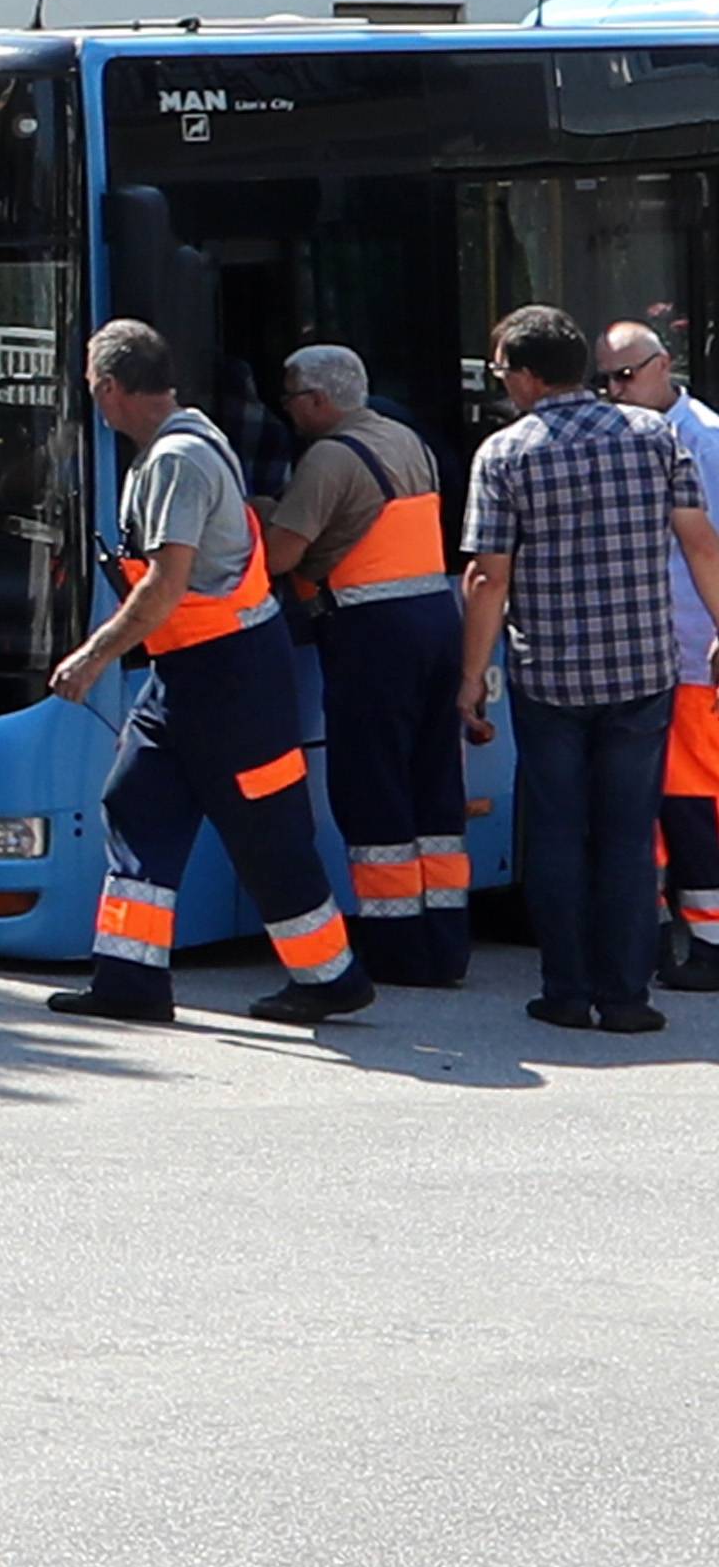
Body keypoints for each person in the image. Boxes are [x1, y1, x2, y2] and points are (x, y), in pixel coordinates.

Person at [45, 320, 376, 1029]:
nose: (95, 407)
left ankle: (331, 977)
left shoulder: (176, 461)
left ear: (109, 388)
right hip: (191, 673)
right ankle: (130, 981)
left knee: (266, 828)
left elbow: (165, 585)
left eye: (94, 393)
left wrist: (92, 656)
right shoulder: (185, 443)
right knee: (137, 799)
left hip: (229, 675)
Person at [461, 303, 719, 1033]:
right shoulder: (652, 437)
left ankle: (567, 993)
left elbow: (488, 580)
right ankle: (629, 998)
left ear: (530, 376)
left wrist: (470, 677)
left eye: (503, 370)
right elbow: (701, 545)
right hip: (644, 673)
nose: (502, 383)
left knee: (557, 835)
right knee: (629, 837)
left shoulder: (505, 455)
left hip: (550, 678)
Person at [265, 343, 469, 987]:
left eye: (292, 397)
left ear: (320, 401)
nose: (287, 410)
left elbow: (278, 557)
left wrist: (262, 512)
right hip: (438, 622)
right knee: (434, 787)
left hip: (372, 636)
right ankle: (445, 942)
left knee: (373, 789)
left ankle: (395, 948)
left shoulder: (329, 458)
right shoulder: (405, 439)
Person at [591, 317, 719, 992]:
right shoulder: (638, 437)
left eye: (626, 374)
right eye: (605, 379)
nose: (614, 390)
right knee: (668, 805)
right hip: (658, 653)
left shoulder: (707, 443)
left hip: (697, 652)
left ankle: (710, 941)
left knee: (692, 800)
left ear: (663, 364)